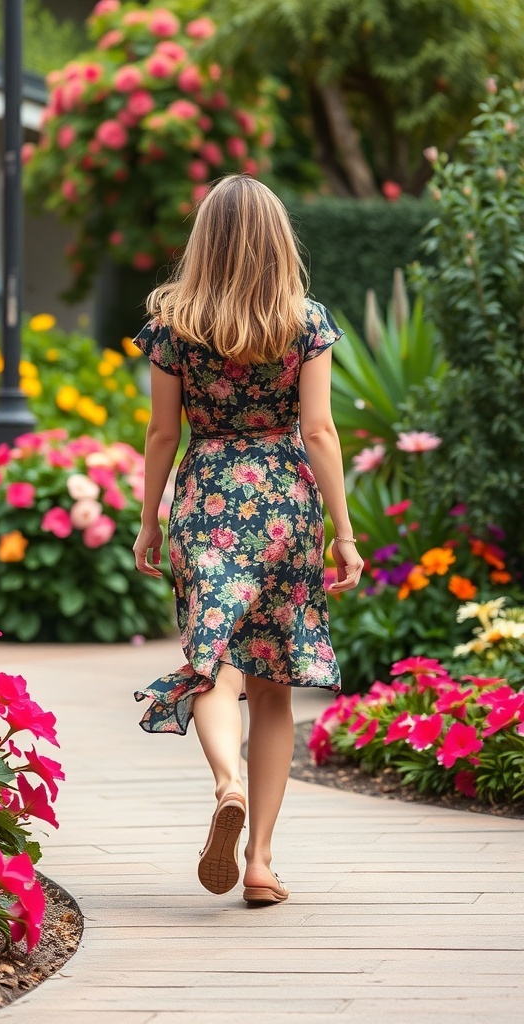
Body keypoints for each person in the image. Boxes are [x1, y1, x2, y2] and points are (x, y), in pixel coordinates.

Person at [132, 174, 363, 905]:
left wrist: (149, 519)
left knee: (214, 667)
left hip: (207, 499)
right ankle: (259, 862)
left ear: (205, 241)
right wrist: (345, 535)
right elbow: (319, 430)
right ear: (277, 241)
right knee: (272, 688)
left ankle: (226, 783)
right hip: (285, 502)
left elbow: (162, 432)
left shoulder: (173, 323)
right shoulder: (305, 321)